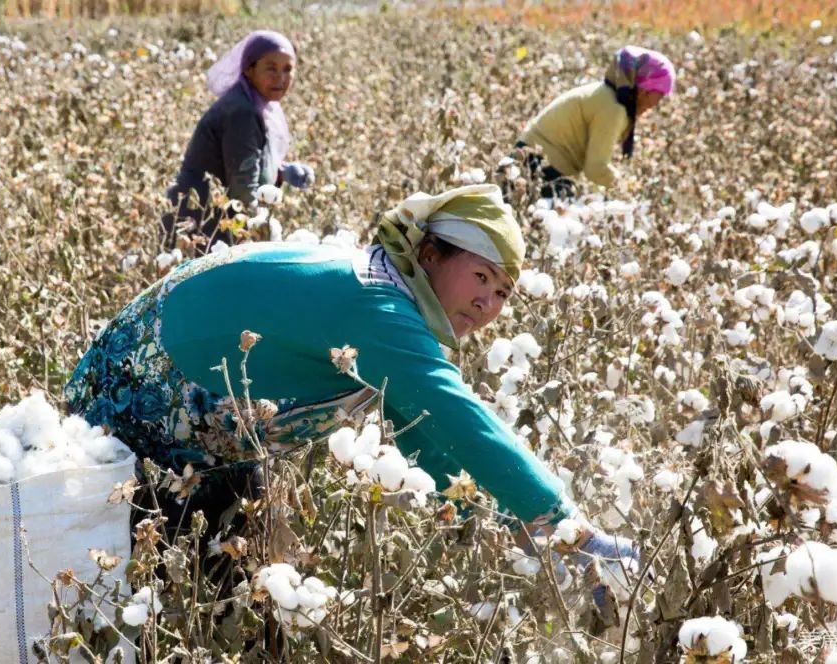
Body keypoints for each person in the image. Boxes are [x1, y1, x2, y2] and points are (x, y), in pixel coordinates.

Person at [69, 184, 634, 602]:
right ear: (431, 254)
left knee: (237, 591)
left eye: (504, 290)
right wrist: (569, 527)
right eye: (481, 276)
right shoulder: (376, 305)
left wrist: (501, 525)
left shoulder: (380, 291)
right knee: (163, 596)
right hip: (137, 404)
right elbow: (457, 416)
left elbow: (427, 438)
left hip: (205, 440)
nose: (489, 303)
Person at [162, 30, 315, 252]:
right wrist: (263, 233)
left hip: (207, 221)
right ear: (248, 69)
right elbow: (243, 191)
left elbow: (247, 160)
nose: (280, 78)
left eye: (287, 69)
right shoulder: (242, 112)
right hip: (201, 225)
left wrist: (281, 172)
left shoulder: (255, 103)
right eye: (271, 68)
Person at [515, 45, 674, 198]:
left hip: (526, 159)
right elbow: (596, 168)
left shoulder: (605, 95)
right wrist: (628, 188)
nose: (656, 105)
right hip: (537, 166)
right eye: (659, 96)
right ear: (644, 90)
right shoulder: (613, 109)